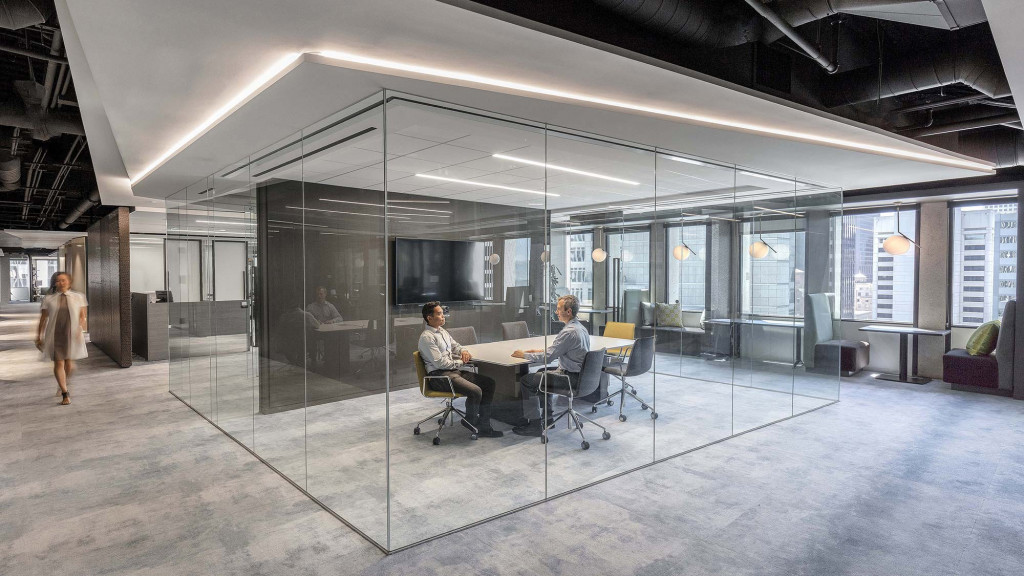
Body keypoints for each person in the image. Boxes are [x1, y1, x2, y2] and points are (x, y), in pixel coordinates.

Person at [418, 301, 503, 438]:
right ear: (429, 317)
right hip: (439, 377)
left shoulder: (442, 331)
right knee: (476, 391)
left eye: (442, 313)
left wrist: (463, 351)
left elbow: (455, 345)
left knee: (489, 383)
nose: (443, 316)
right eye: (439, 314)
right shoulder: (427, 337)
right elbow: (440, 363)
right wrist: (460, 362)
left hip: (452, 373)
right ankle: (470, 421)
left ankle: (484, 425)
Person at [511, 294, 590, 436]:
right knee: (542, 372)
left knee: (527, 380)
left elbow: (547, 357)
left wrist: (524, 355)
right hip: (581, 376)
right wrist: (536, 350)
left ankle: (534, 424)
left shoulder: (568, 332)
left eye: (559, 309)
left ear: (568, 311)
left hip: (570, 378)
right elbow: (558, 349)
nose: (556, 312)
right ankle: (548, 419)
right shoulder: (580, 328)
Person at [35, 272, 88, 405]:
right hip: (54, 334)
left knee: (68, 363)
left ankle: (62, 383)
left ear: (69, 282)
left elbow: (83, 316)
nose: (61, 283)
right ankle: (65, 393)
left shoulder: (79, 297)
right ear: (55, 283)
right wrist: (38, 336)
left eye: (63, 280)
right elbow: (43, 319)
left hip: (71, 334)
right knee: (59, 362)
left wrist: (80, 328)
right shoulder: (49, 299)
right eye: (58, 281)